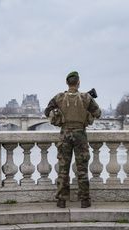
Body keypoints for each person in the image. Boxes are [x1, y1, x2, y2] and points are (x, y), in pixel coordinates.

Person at [45, 71, 101, 208]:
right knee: (82, 169)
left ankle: (61, 200)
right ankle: (85, 200)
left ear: (67, 83)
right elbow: (98, 113)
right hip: (80, 135)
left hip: (64, 135)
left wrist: (59, 114)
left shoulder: (59, 97)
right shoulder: (86, 98)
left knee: (63, 169)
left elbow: (47, 111)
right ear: (78, 82)